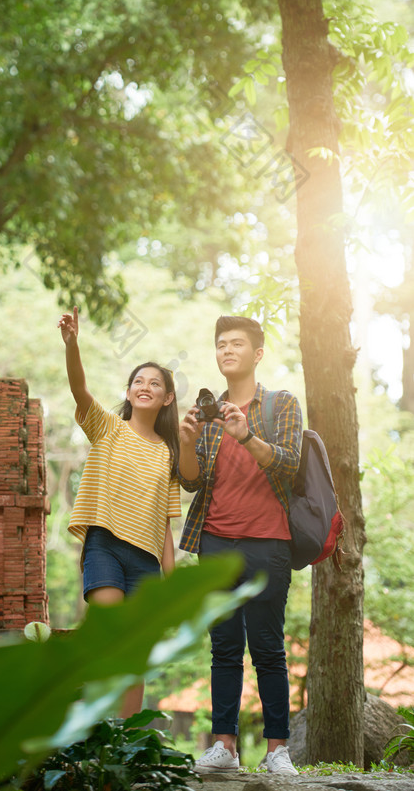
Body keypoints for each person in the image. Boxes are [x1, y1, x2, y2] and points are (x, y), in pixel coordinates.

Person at [177, 315, 302, 776]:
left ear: (257, 353)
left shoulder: (281, 404)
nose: (227, 350)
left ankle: (277, 750)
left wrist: (246, 434)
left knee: (267, 646)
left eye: (236, 344)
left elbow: (289, 463)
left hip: (268, 541)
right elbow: (191, 481)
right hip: (215, 541)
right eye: (221, 344)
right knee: (224, 646)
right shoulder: (209, 413)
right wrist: (188, 442)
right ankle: (224, 746)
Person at [58, 306, 182, 718]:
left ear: (166, 398)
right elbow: (79, 389)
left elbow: (164, 524)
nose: (145, 387)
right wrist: (72, 344)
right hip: (105, 547)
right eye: (138, 381)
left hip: (145, 561)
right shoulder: (108, 427)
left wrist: (171, 583)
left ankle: (126, 746)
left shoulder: (167, 454)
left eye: (155, 383)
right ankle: (95, 732)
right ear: (129, 392)